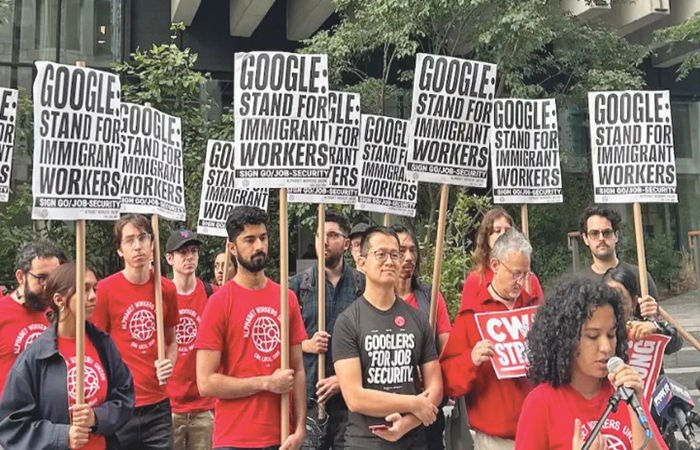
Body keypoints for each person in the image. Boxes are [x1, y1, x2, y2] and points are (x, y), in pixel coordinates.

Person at [195, 206, 308, 449]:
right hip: (234, 439)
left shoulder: (286, 298)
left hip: (281, 437)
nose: (259, 246)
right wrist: (265, 383)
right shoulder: (219, 302)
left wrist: (300, 428)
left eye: (263, 238)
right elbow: (206, 382)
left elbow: (298, 369)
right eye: (249, 240)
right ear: (232, 248)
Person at [515, 276, 665, 449]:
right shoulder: (541, 403)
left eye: (611, 335)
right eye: (593, 336)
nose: (606, 347)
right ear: (566, 339)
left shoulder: (627, 392)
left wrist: (636, 405)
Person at [0, 262, 135, 449]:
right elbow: (12, 426)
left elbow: (125, 397)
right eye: (84, 289)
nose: (93, 296)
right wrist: (62, 436)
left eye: (94, 289)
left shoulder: (103, 344)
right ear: (59, 299)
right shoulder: (35, 357)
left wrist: (97, 417)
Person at [332, 226, 443, 449]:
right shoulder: (348, 322)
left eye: (395, 254)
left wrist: (408, 423)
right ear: (362, 262)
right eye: (380, 254)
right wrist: (413, 403)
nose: (390, 261)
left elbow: (436, 387)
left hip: (413, 441)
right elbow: (354, 397)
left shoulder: (418, 319)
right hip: (364, 442)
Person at [440, 229, 542, 450]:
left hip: (538, 432)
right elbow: (447, 379)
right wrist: (471, 359)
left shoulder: (536, 310)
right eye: (515, 273)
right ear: (495, 265)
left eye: (526, 274)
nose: (521, 282)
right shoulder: (471, 315)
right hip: (494, 439)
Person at [92, 214, 179, 449]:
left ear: (152, 243)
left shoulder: (167, 289)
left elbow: (172, 341)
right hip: (120, 404)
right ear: (120, 250)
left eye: (142, 238)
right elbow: (96, 349)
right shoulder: (105, 290)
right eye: (129, 240)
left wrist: (169, 364)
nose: (138, 246)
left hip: (158, 405)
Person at [289, 210, 365, 449]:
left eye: (332, 235)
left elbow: (373, 341)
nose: (324, 241)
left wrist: (343, 380)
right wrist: (306, 344)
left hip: (351, 402)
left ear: (346, 244)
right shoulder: (297, 286)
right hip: (309, 400)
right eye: (320, 235)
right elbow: (279, 339)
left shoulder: (363, 286)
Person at [392, 225, 451, 450]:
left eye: (413, 250)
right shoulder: (374, 302)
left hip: (428, 405)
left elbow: (447, 348)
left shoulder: (431, 297)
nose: (408, 257)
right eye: (401, 251)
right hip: (389, 405)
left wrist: (431, 372)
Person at [165, 229, 217, 450]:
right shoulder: (161, 295)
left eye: (193, 251)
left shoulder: (213, 294)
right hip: (169, 404)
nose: (189, 257)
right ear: (169, 258)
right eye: (182, 252)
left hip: (205, 405)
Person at [0, 240, 65, 392]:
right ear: (21, 277)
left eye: (54, 278)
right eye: (41, 278)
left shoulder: (61, 311)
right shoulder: (3, 313)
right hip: (11, 404)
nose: (48, 286)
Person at [459, 208, 543, 311]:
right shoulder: (475, 280)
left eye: (507, 231)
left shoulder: (530, 280)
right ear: (486, 237)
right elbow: (467, 316)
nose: (503, 234)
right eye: (497, 231)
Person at [580, 205, 659, 299]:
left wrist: (654, 308)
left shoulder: (640, 276)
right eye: (594, 233)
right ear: (585, 239)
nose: (601, 238)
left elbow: (656, 307)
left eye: (607, 232)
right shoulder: (579, 284)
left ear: (616, 236)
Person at [604, 266, 681, 352]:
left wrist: (657, 329)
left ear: (634, 301)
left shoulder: (640, 329)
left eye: (620, 301)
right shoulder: (594, 326)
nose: (614, 307)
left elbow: (675, 341)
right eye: (609, 300)